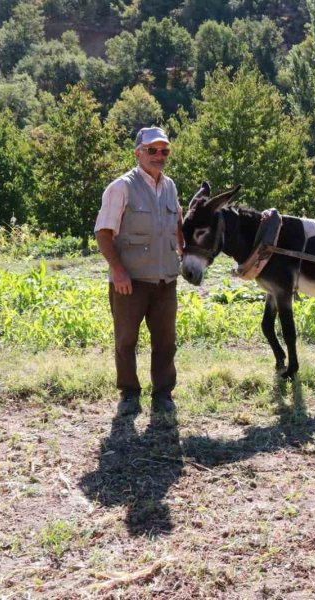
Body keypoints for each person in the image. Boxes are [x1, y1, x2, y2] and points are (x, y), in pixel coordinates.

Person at [94, 126, 184, 417]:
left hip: (165, 280)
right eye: (152, 150)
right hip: (129, 282)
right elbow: (104, 233)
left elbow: (178, 223)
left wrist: (184, 251)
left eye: (164, 151)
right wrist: (118, 271)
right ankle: (129, 394)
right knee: (125, 340)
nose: (159, 156)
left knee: (166, 342)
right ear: (138, 153)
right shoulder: (121, 187)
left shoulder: (170, 186)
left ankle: (163, 394)